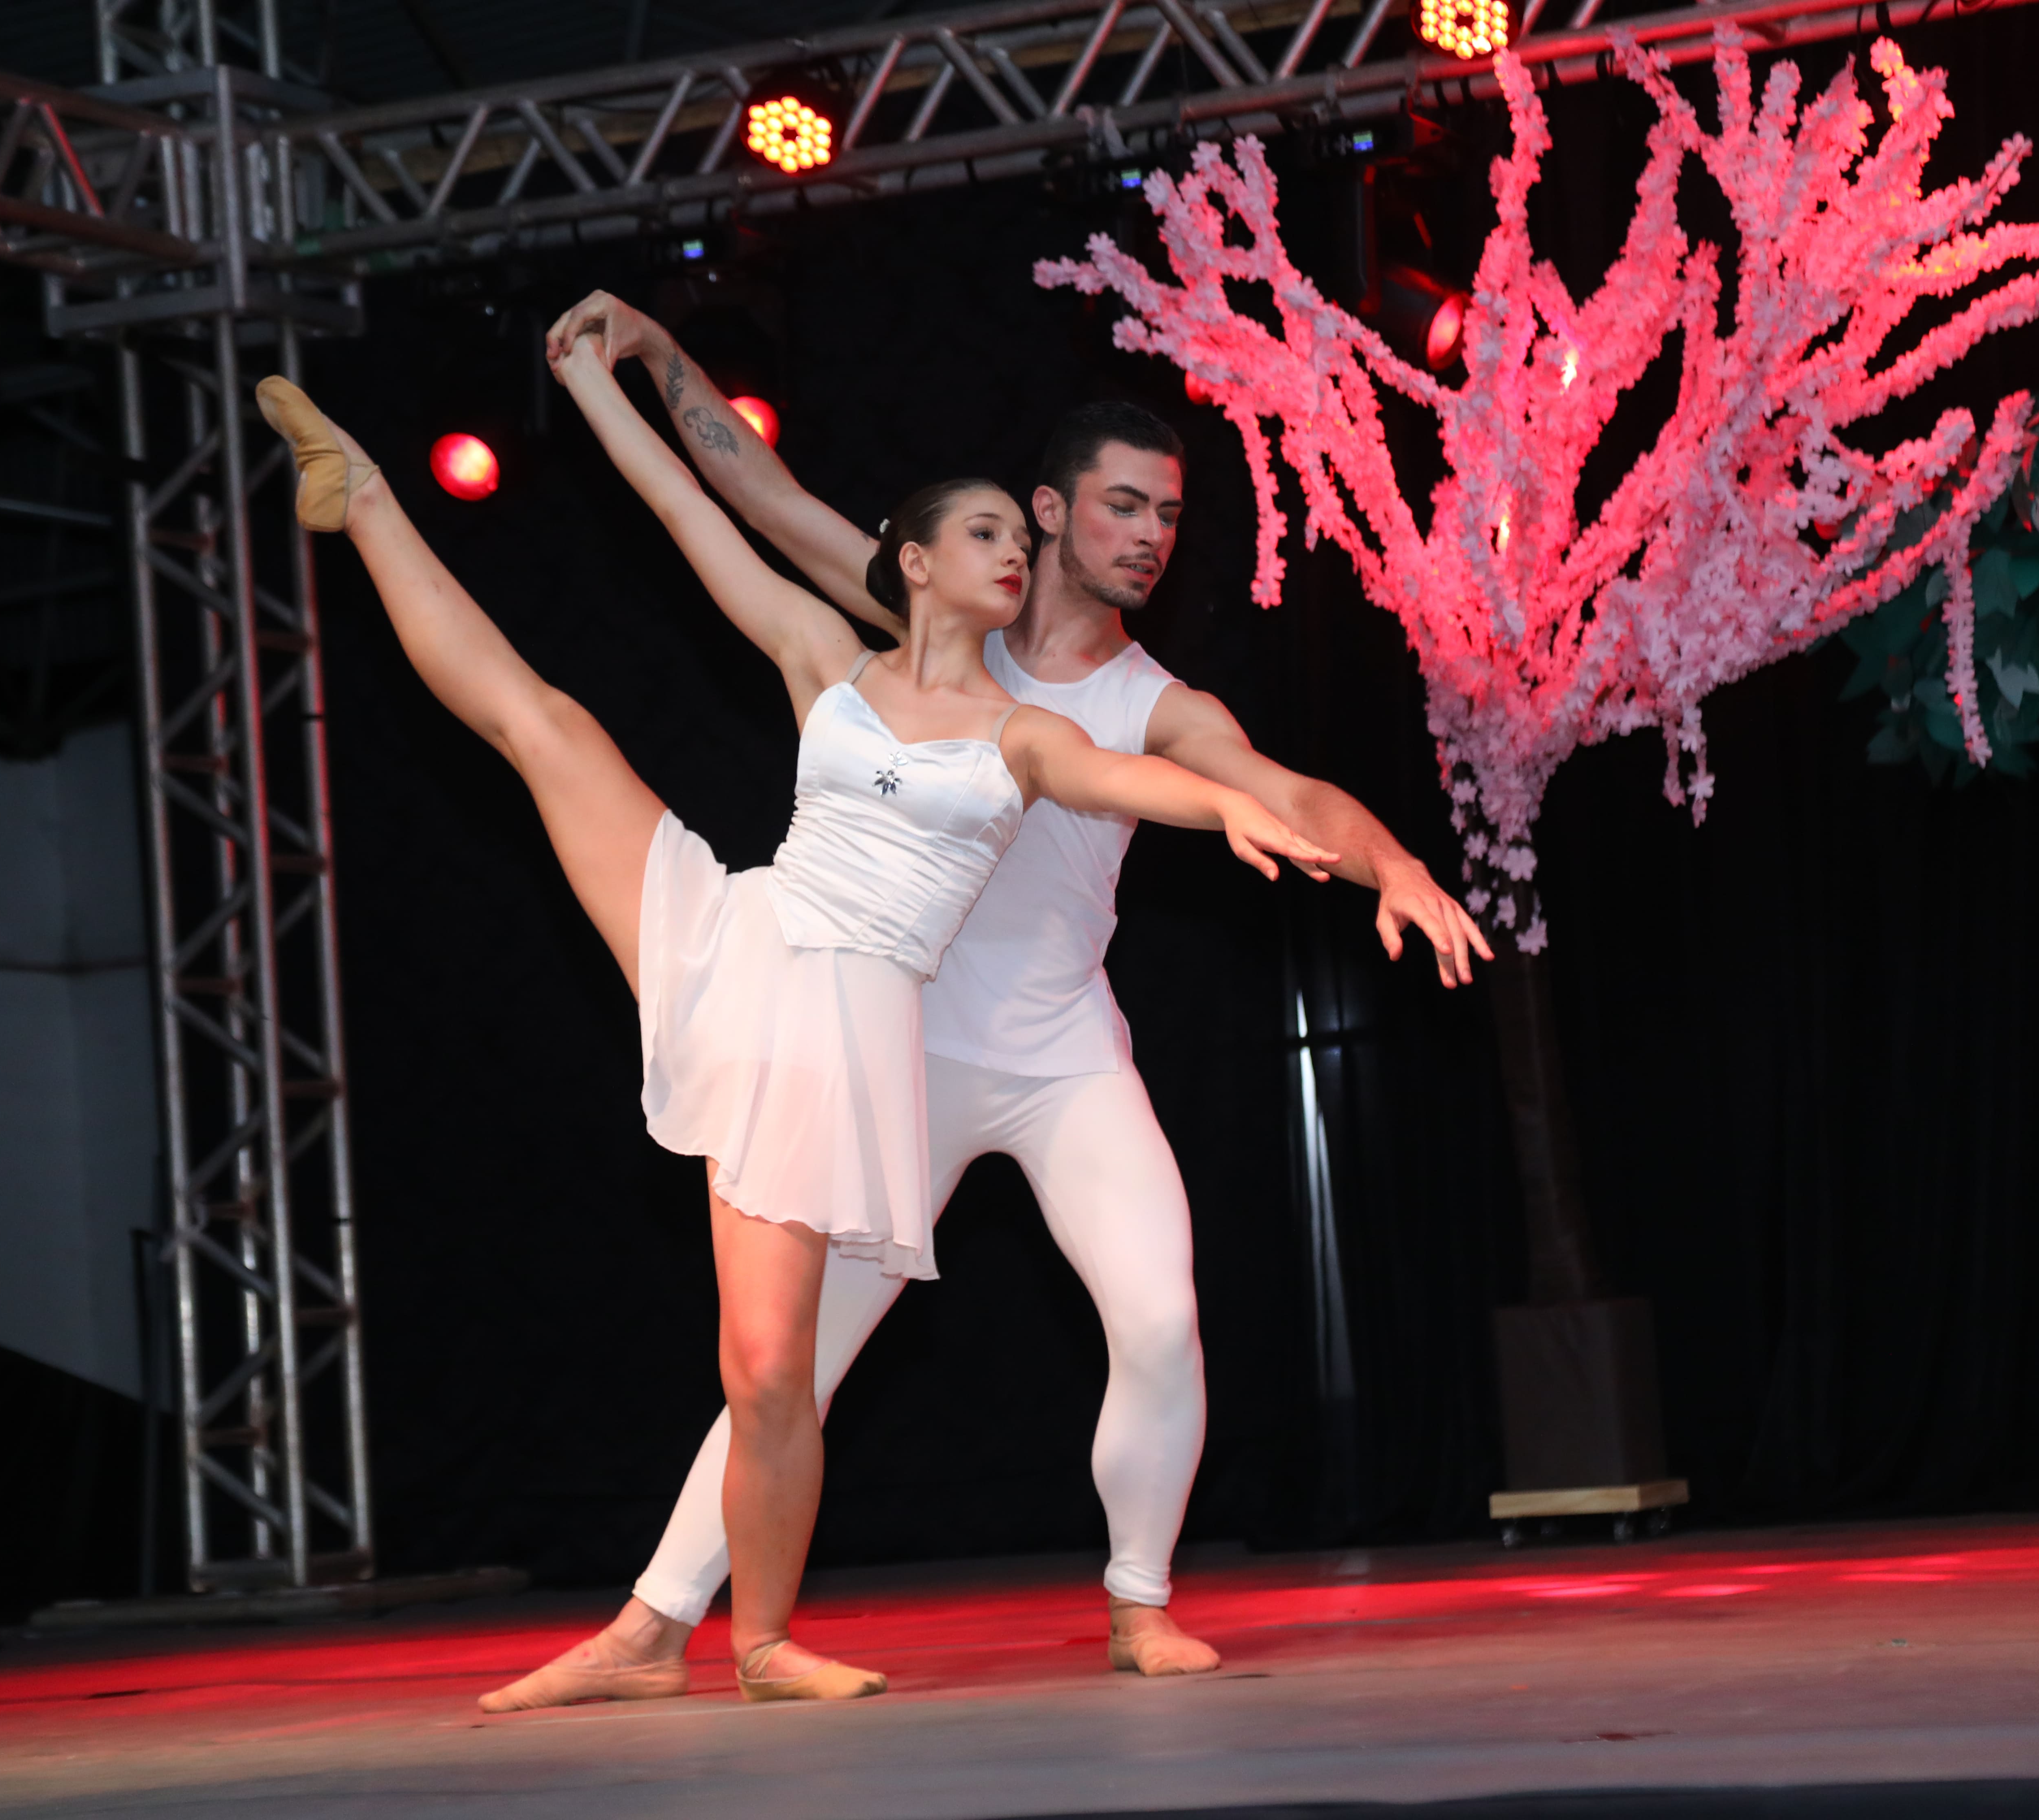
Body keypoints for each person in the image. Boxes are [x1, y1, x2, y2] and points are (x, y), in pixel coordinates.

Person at [251, 344, 1322, 1704]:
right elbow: (689, 513)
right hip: (741, 934)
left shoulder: (1024, 737)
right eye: (985, 532)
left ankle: (753, 1643)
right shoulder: (831, 657)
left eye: (1021, 534)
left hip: (841, 1024)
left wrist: (1234, 808)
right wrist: (590, 383)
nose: (1014, 552)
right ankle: (367, 498)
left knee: (768, 1370)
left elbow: (1139, 782)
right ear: (914, 563)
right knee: (542, 726)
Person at [478, 292, 1492, 1713]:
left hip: (1065, 1053)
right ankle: (653, 1627)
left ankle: (1140, 1604)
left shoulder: (1155, 703)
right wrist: (655, 354)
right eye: (1124, 505)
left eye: (1170, 515)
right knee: (786, 1370)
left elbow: (1285, 793)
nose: (1151, 534)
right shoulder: (941, 628)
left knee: (1159, 1316)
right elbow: (758, 493)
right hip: (897, 1049)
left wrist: (1394, 865)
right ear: (1047, 513)